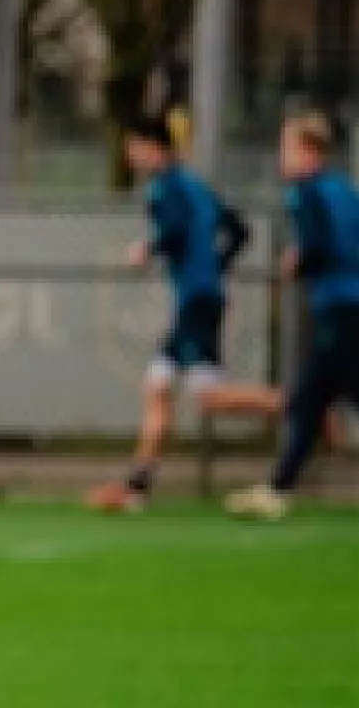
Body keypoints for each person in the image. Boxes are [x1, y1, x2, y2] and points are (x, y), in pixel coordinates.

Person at [88, 111, 255, 511]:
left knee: (208, 397)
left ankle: (300, 406)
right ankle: (137, 487)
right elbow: (239, 230)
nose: (130, 156)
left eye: (133, 148)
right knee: (158, 386)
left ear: (152, 148)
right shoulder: (196, 184)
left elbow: (175, 230)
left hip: (196, 298)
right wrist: (216, 265)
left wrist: (148, 248)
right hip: (203, 294)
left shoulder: (162, 188)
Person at [225, 107, 359, 519]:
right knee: (308, 398)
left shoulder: (304, 192)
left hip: (341, 304)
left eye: (285, 146)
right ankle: (278, 489)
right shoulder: (344, 189)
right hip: (348, 304)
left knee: (328, 393)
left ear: (307, 150)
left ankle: (278, 489)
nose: (281, 156)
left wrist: (296, 262)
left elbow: (319, 247)